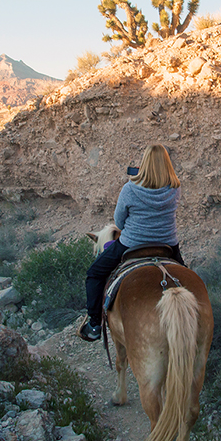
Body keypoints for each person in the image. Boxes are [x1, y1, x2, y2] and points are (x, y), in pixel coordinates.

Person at [79, 144, 185, 342]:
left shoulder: (129, 189)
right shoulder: (175, 188)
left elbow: (119, 222)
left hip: (132, 244)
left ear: (144, 164)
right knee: (186, 278)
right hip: (168, 244)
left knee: (94, 274)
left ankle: (94, 324)